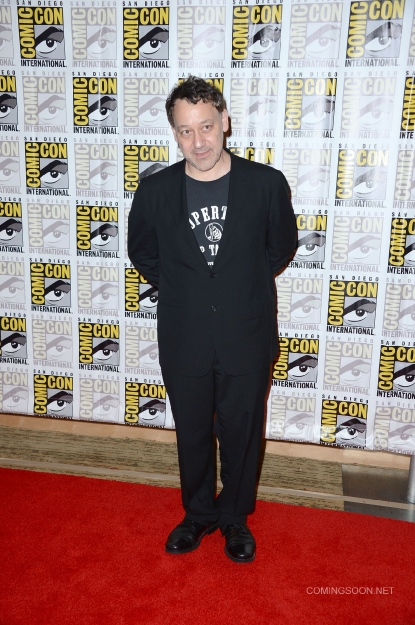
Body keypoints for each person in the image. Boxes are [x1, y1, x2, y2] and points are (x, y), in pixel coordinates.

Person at [128, 76, 297, 563]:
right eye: (185, 131)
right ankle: (198, 514)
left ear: (224, 121)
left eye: (205, 126)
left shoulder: (266, 184)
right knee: (193, 431)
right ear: (175, 134)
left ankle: (235, 518)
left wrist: (234, 288)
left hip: (247, 332)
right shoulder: (155, 190)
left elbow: (280, 248)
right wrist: (190, 290)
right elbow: (142, 252)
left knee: (243, 432)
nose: (198, 141)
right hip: (185, 335)